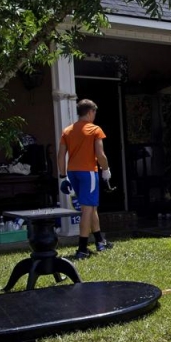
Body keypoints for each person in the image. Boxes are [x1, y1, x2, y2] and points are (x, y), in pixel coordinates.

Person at [57, 99, 112, 260]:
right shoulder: (95, 130)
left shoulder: (67, 131)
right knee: (87, 210)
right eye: (95, 112)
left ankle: (100, 242)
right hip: (88, 172)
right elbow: (100, 155)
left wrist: (62, 176)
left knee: (91, 207)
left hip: (73, 173)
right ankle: (82, 248)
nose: (95, 115)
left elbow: (61, 155)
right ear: (90, 112)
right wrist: (106, 169)